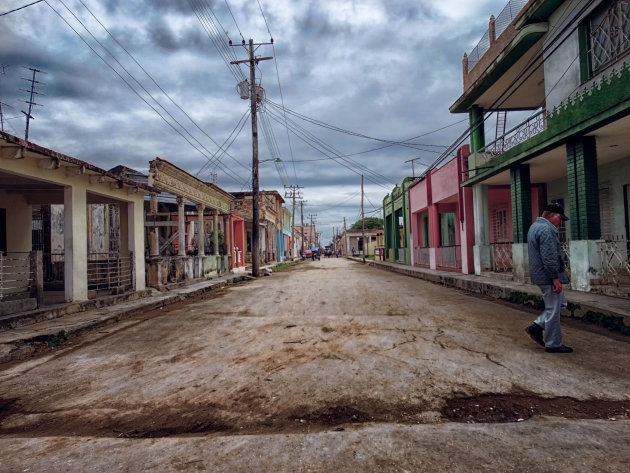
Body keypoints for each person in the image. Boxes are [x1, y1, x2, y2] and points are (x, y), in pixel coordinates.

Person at [525, 202, 573, 353]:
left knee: (561, 304)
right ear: (553, 216)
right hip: (547, 276)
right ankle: (553, 344)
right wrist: (555, 278)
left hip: (540, 274)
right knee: (553, 309)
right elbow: (549, 257)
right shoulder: (546, 230)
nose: (561, 223)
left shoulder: (535, 227)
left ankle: (537, 325)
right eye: (560, 219)